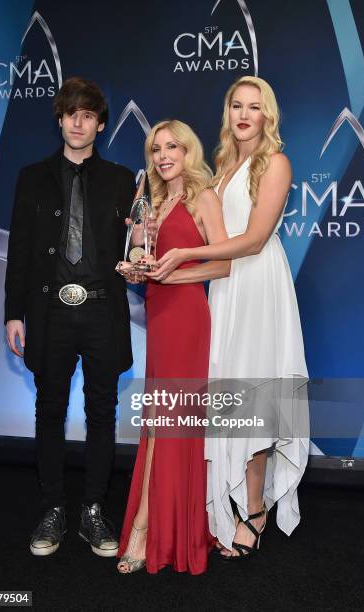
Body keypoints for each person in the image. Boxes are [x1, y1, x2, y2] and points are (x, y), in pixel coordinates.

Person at [148, 76, 309, 559]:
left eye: (254, 107)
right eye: (236, 105)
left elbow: (255, 239)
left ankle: (254, 510)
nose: (243, 114)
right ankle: (227, 500)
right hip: (225, 286)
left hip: (258, 284)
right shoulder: (221, 165)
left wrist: (186, 252)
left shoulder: (276, 163)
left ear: (268, 115)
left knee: (255, 397)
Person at [5, 76, 138, 557]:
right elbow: (19, 251)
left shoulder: (126, 180)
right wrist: (12, 313)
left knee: (103, 413)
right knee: (49, 411)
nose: (78, 122)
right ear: (59, 119)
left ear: (100, 124)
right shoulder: (32, 176)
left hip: (103, 310)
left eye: (87, 115)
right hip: (48, 310)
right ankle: (52, 508)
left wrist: (140, 256)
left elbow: (136, 246)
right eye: (70, 113)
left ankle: (94, 511)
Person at [116, 120, 228, 574]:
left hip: (186, 316)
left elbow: (221, 265)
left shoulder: (204, 197)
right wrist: (137, 265)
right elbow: (146, 260)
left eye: (172, 147)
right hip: (159, 315)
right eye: (156, 148)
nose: (163, 155)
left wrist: (171, 274)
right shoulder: (151, 201)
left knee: (169, 422)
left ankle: (145, 526)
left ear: (188, 152)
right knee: (160, 422)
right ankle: (162, 524)